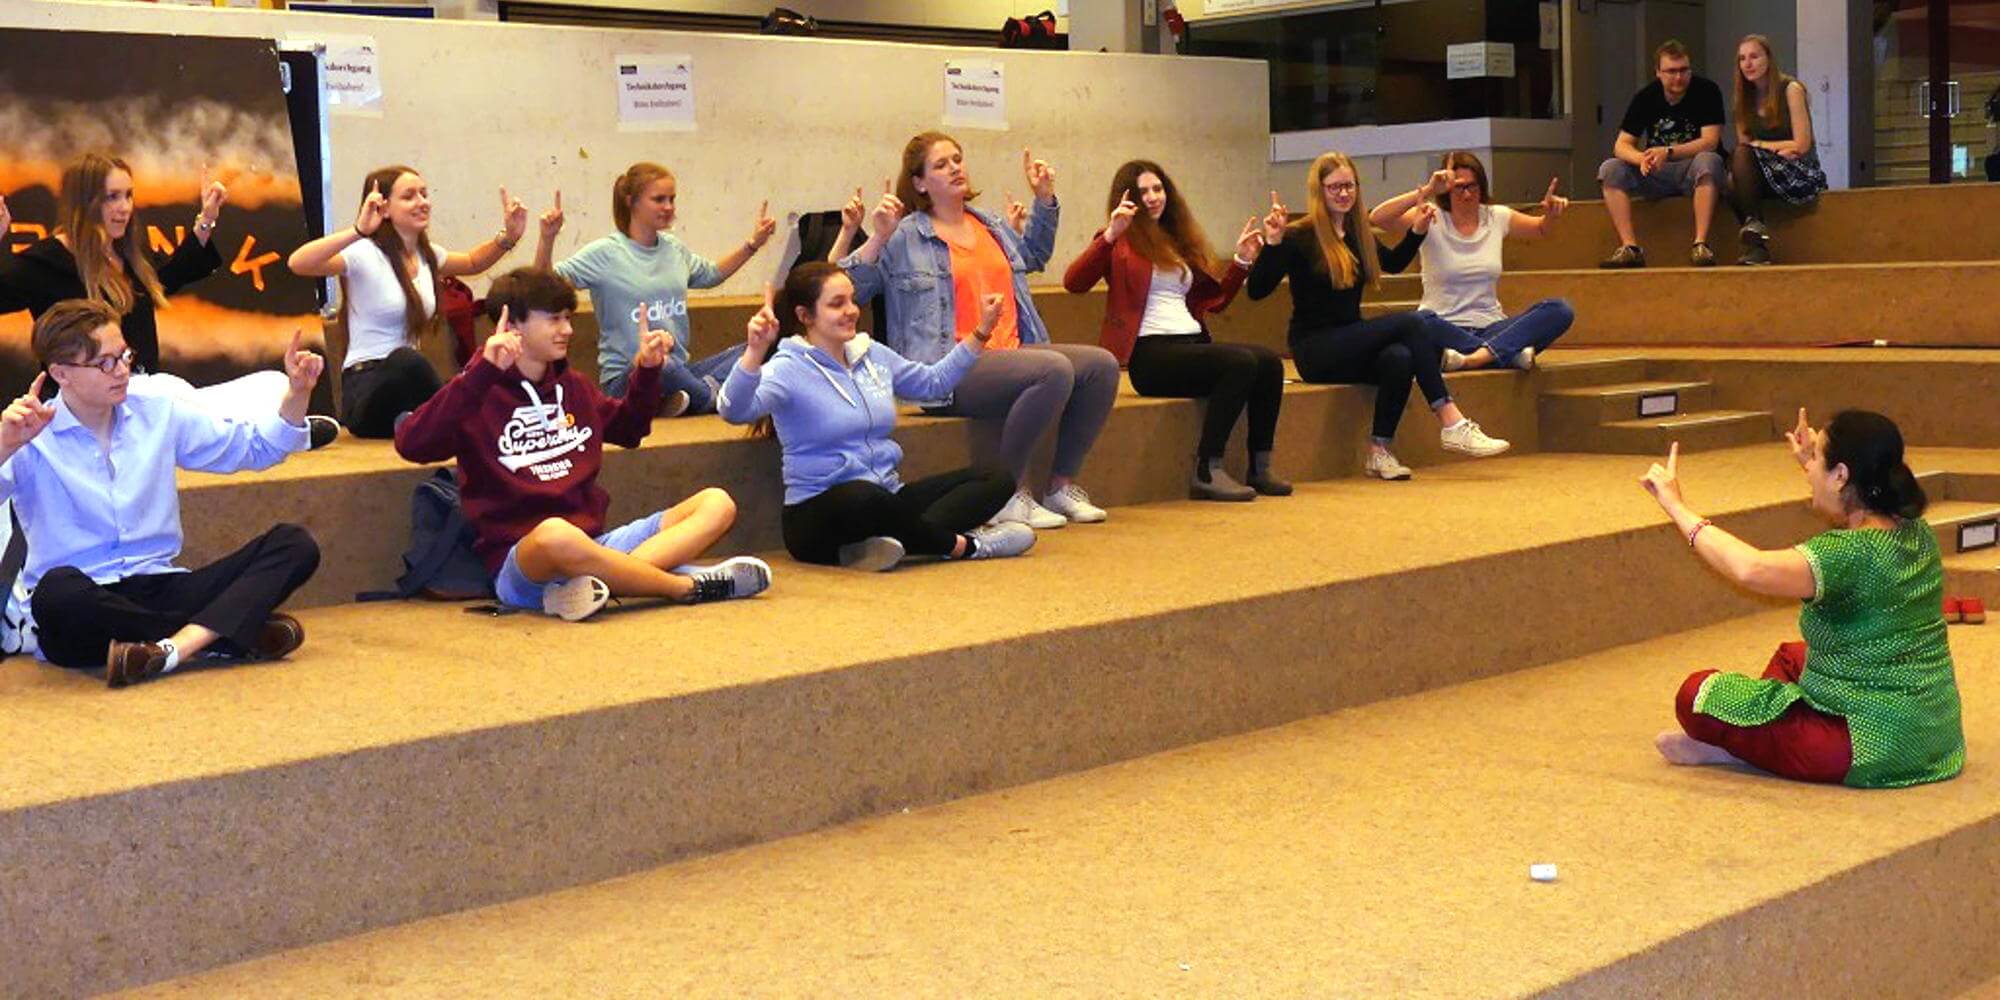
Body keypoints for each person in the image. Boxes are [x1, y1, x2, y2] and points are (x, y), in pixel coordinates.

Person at [394, 267, 771, 621]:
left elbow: (629, 430)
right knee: (556, 534)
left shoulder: (572, 386)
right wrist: (481, 374)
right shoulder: (475, 391)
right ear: (512, 324)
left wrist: (648, 370)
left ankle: (601, 584)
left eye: (568, 318)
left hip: (595, 544)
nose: (567, 330)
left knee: (717, 504)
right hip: (524, 562)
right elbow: (412, 444)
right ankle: (682, 586)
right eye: (554, 318)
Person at [1, 299, 324, 687]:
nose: (121, 371)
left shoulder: (158, 412)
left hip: (163, 585)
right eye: (104, 362)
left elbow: (252, 448)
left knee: (293, 544)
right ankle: (217, 633)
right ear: (61, 373)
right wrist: (5, 446)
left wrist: (298, 394)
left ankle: (174, 647)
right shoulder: (30, 433)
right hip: (86, 602)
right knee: (56, 593)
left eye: (123, 355)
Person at [1641, 410, 1965, 788]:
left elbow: (1752, 569)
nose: (1809, 468)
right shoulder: (1915, 531)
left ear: (1842, 475)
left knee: (1696, 695)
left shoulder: (1846, 553)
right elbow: (1856, 514)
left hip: (1870, 746)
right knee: (1791, 656)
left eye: (1818, 461)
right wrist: (1815, 468)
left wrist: (1676, 506)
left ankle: (1747, 747)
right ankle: (1759, 742)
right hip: (1933, 733)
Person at [841, 134, 1118, 529]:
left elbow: (1034, 256)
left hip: (1012, 351)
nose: (955, 167)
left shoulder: (990, 224)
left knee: (1102, 366)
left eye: (958, 159)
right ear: (919, 182)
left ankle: (1059, 486)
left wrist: (1044, 201)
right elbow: (851, 288)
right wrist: (879, 235)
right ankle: (1000, 494)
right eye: (941, 164)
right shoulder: (905, 234)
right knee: (1054, 370)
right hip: (948, 366)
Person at [0, 153, 338, 447]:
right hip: (90, 410)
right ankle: (289, 432)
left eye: (128, 196)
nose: (124, 208)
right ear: (84, 202)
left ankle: (280, 427)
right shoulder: (45, 262)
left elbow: (170, 275)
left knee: (272, 384)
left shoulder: (126, 256)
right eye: (111, 197)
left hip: (145, 399)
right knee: (175, 398)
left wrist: (206, 219)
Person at [719, 261, 1033, 572]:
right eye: (836, 304)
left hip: (886, 497)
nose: (851, 310)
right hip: (819, 515)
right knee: (865, 497)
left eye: (852, 300)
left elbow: (932, 382)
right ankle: (965, 546)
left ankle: (887, 544)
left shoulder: (872, 354)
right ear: (805, 316)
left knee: (997, 478)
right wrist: (754, 352)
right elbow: (734, 410)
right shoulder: (787, 368)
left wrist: (981, 332)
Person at [1246, 151, 1510, 482]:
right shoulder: (1300, 235)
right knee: (1413, 322)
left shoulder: (1358, 234)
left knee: (1399, 357)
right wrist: (1272, 243)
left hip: (1350, 340)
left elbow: (1395, 264)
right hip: (1315, 349)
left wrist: (1416, 231)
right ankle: (1450, 419)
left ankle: (1379, 450)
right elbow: (1256, 290)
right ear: (1319, 191)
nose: (1343, 194)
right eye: (1334, 188)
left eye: (1349, 186)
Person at [1062, 159, 1288, 501]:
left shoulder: (1177, 241)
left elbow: (1214, 303)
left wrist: (1241, 262)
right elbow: (1074, 282)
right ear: (1127, 199)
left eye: (1158, 189)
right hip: (1151, 354)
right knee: (1240, 362)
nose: (1153, 197)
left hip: (1190, 343)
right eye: (1143, 192)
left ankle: (1261, 466)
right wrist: (1110, 234)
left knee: (1269, 362)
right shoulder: (1119, 239)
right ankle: (1206, 470)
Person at [286, 165, 535, 438]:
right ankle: (461, 421)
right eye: (409, 196)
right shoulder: (364, 253)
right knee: (409, 360)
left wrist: (508, 237)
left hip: (408, 388)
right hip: (367, 393)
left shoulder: (428, 256)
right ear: (384, 208)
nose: (422, 202)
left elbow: (474, 262)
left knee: (464, 378)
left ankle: (432, 419)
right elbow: (299, 263)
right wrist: (358, 230)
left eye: (424, 194)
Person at [532, 162, 777, 415]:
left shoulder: (674, 248)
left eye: (672, 199)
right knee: (663, 365)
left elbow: (712, 274)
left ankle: (681, 398)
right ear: (631, 201)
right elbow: (542, 286)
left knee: (765, 346)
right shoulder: (605, 253)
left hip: (679, 370)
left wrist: (753, 244)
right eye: (659, 199)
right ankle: (713, 398)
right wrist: (547, 238)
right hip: (628, 378)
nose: (669, 207)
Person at [1371, 152, 1575, 372]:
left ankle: (1473, 359)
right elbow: (1378, 218)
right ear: (1447, 189)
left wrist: (1552, 214)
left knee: (1559, 310)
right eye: (1459, 187)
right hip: (1443, 325)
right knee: (1420, 322)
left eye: (1473, 186)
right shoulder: (1430, 216)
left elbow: (1541, 228)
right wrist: (1429, 190)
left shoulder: (1496, 216)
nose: (1467, 194)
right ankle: (1506, 353)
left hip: (1492, 326)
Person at [1597, 39, 1727, 268]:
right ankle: (1630, 247)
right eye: (1671, 71)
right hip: (1657, 171)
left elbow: (1710, 141)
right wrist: (1642, 158)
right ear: (1658, 72)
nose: (1678, 78)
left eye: (1684, 70)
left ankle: (1701, 244)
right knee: (1610, 168)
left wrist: (1668, 151)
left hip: (1692, 169)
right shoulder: (1646, 97)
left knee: (1710, 160)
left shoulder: (1707, 91)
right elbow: (1621, 144)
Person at [1729, 34, 1828, 265]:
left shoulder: (1790, 89)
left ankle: (1755, 235)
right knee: (1731, 179)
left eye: (1754, 56)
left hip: (1799, 169)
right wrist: (1775, 149)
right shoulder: (1743, 99)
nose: (1748, 64)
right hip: (1766, 167)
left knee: (1742, 159)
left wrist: (1763, 146)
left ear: (1768, 59)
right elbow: (1744, 146)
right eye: (1742, 59)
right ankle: (1757, 241)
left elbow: (1802, 144)